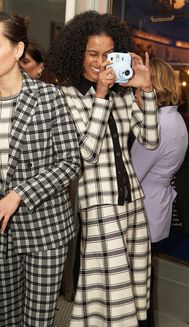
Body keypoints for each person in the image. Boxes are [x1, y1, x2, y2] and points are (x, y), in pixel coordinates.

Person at [46, 10, 159, 327]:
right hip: (97, 205)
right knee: (102, 295)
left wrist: (146, 90)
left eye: (108, 54)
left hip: (133, 203)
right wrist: (100, 96)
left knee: (132, 288)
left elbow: (150, 140)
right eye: (92, 53)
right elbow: (84, 153)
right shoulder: (63, 97)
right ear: (77, 54)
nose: (100, 62)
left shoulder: (123, 96)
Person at [0, 12, 81, 327]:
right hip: (3, 233)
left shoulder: (47, 97)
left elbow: (70, 161)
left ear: (18, 50)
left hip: (45, 230)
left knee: (37, 321)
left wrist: (20, 193)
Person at [131, 58, 188, 244]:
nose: (134, 93)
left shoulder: (157, 125)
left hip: (143, 208)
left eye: (137, 86)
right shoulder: (176, 117)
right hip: (157, 205)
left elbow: (132, 176)